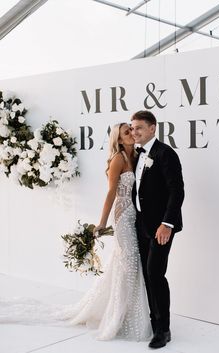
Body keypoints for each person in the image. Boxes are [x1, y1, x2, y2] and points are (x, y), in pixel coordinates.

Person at [68, 122, 151, 340]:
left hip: (137, 217)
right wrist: (102, 223)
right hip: (123, 218)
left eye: (132, 130)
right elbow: (111, 194)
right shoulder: (118, 159)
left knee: (128, 265)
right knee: (129, 264)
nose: (132, 134)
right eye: (127, 132)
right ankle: (118, 317)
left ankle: (127, 311)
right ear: (119, 139)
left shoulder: (136, 157)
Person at [131, 110, 184, 349]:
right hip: (141, 224)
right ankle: (154, 323)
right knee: (146, 275)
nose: (135, 132)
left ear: (153, 128)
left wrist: (167, 224)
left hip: (161, 226)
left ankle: (163, 330)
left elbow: (177, 191)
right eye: (132, 128)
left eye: (139, 127)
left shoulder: (165, 153)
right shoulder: (137, 154)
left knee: (155, 274)